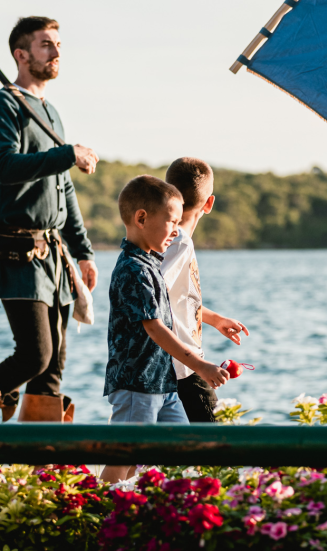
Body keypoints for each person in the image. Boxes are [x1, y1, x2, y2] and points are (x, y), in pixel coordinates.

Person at [0, 16, 99, 424]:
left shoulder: (50, 112)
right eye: (46, 44)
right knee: (34, 354)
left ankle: (39, 472)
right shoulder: (1, 106)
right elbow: (4, 167)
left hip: (55, 254)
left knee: (52, 369)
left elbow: (63, 189)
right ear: (21, 54)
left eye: (58, 44)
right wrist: (69, 154)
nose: (56, 51)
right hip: (15, 248)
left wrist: (83, 251)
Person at [100, 175, 230, 483]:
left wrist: (210, 318)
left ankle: (171, 508)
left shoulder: (150, 264)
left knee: (183, 450)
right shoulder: (134, 270)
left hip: (162, 383)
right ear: (141, 218)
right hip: (136, 385)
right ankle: (95, 510)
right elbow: (155, 328)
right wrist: (199, 365)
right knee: (125, 457)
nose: (176, 230)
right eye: (171, 222)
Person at [162, 157, 250, 422]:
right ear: (209, 203)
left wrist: (214, 319)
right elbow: (155, 294)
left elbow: (177, 300)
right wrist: (199, 365)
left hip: (173, 370)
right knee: (215, 454)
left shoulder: (166, 239)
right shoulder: (180, 243)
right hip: (186, 372)